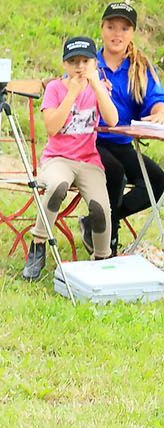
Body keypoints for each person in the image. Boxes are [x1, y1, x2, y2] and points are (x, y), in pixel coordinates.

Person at [23, 36, 120, 281]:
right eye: (73, 61)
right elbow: (52, 128)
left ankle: (101, 259)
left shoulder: (100, 87)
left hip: (88, 160)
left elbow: (113, 119)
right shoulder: (56, 88)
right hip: (58, 159)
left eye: (85, 61)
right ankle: (38, 245)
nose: (79, 67)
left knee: (100, 208)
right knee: (57, 186)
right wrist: (71, 94)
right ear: (64, 65)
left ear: (95, 64)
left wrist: (97, 87)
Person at [96, 2, 164, 253]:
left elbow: (157, 101)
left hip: (123, 143)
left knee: (157, 180)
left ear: (132, 33)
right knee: (114, 172)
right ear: (102, 29)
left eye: (124, 28)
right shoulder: (90, 63)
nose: (117, 34)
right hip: (91, 141)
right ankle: (108, 245)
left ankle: (101, 222)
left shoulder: (140, 66)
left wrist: (158, 113)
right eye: (111, 27)